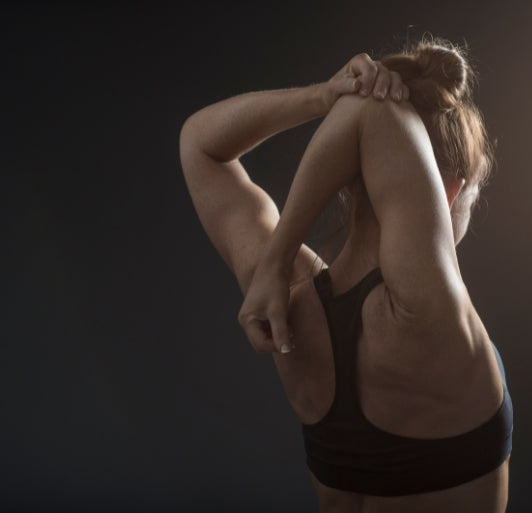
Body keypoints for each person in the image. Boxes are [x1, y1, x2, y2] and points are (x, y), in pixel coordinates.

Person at [180, 37, 513, 513]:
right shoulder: (427, 310)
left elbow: (199, 144)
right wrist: (276, 260)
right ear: (448, 192)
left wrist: (323, 95)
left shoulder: (287, 299)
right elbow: (373, 113)